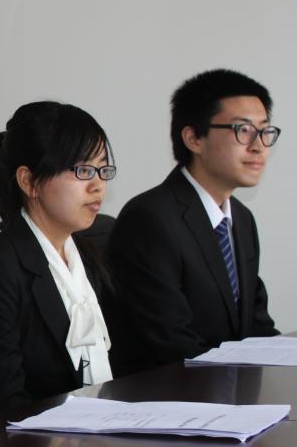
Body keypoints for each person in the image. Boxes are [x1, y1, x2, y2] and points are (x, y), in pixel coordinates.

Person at [0, 102, 117, 417]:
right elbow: (5, 404)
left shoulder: (88, 255)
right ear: (29, 181)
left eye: (103, 170)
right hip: (13, 442)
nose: (98, 185)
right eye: (83, 170)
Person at [107, 69, 279, 372]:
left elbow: (257, 327)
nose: (258, 145)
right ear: (194, 138)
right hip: (169, 393)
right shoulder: (150, 219)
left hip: (229, 390)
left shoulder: (241, 219)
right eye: (243, 130)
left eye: (265, 131)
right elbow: (172, 345)